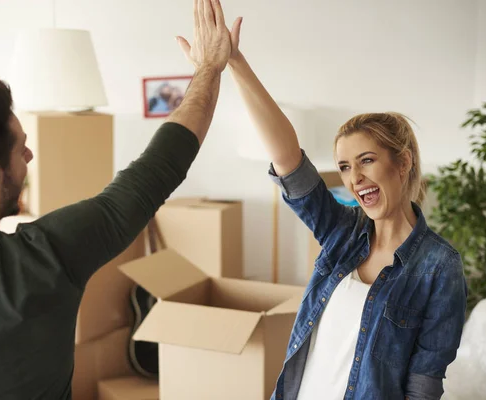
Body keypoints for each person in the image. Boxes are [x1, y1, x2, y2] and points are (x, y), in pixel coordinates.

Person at [0, 0, 231, 398]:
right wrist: (209, 69)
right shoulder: (51, 254)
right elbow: (157, 169)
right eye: (20, 150)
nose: (29, 157)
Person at [183, 8, 466, 400]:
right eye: (346, 167)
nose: (355, 178)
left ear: (402, 162)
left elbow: (424, 384)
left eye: (367, 160)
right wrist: (235, 61)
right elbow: (288, 160)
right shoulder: (342, 231)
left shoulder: (440, 267)